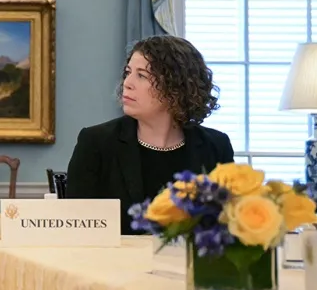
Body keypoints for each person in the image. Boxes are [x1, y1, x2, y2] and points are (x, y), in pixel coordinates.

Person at [65, 35, 234, 231]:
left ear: (176, 87)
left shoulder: (215, 146)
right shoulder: (96, 143)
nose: (127, 83)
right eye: (128, 72)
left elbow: (224, 228)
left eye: (142, 75)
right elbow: (77, 230)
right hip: (115, 261)